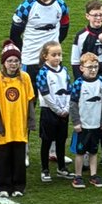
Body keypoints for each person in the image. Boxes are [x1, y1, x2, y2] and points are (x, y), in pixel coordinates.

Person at [71, 0, 102, 168]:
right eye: (95, 15)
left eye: (101, 14)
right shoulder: (81, 36)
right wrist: (81, 81)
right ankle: (84, 152)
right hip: (88, 81)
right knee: (87, 114)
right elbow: (75, 61)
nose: (98, 18)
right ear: (87, 16)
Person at [0, 41, 36, 197]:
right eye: (10, 61)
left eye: (16, 61)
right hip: (5, 124)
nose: (13, 64)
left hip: (20, 125)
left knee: (19, 156)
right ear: (4, 62)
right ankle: (2, 186)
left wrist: (31, 120)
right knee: (4, 156)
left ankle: (18, 186)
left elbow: (30, 100)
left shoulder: (25, 78)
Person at [10, 0, 71, 83]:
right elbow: (14, 35)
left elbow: (64, 30)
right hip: (30, 60)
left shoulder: (61, 6)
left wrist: (52, 47)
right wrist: (24, 52)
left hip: (52, 60)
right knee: (30, 94)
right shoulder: (26, 7)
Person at [69, 52, 102, 188]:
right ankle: (78, 176)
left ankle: (93, 175)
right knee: (80, 152)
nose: (93, 70)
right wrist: (76, 122)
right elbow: (73, 104)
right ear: (81, 68)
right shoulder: (78, 83)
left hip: (96, 124)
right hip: (83, 125)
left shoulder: (101, 81)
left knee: (93, 151)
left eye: (95, 67)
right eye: (90, 67)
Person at [35, 41, 72, 182]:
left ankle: (61, 167)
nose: (57, 58)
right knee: (47, 141)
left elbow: (68, 90)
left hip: (64, 111)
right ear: (45, 56)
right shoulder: (43, 72)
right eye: (54, 55)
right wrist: (57, 109)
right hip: (49, 111)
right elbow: (45, 94)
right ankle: (45, 169)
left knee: (61, 140)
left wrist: (66, 108)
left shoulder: (64, 70)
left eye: (59, 55)